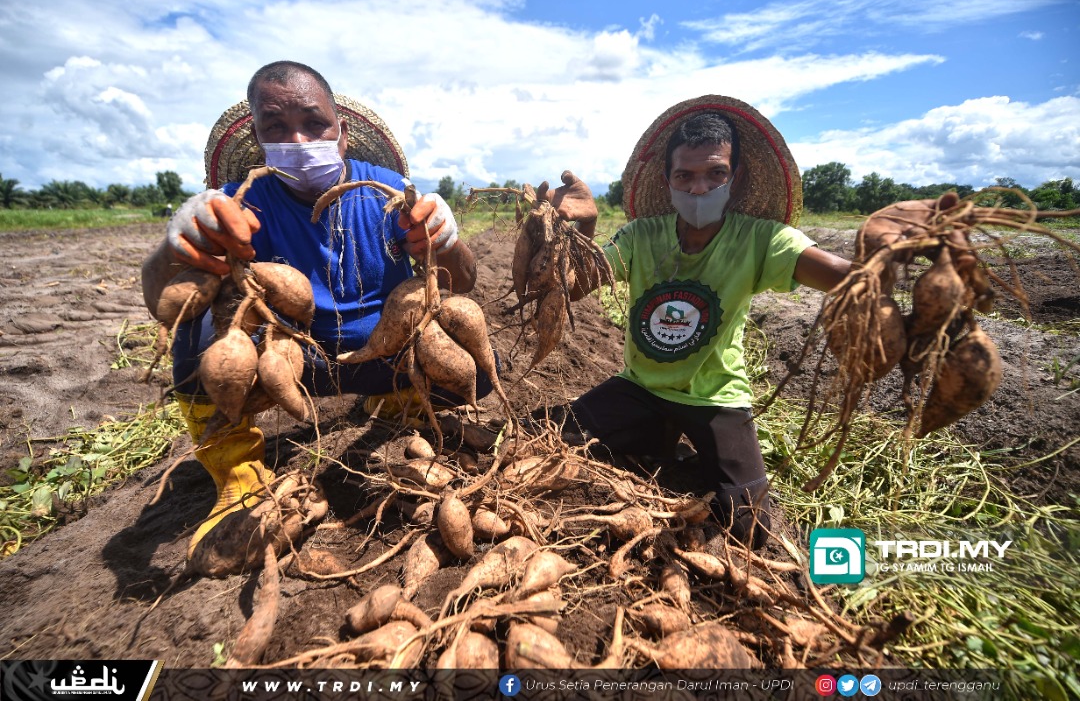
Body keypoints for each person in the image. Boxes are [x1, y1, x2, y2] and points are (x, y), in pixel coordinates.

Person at [140, 61, 485, 560]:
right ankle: (238, 476)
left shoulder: (387, 191)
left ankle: (403, 403)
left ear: (342, 133)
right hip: (292, 360)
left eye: (314, 122)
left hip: (386, 354)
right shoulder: (241, 206)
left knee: (460, 333)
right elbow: (164, 304)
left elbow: (465, 280)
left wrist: (447, 244)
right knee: (200, 339)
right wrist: (169, 251)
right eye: (275, 128)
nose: (298, 141)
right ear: (259, 141)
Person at [555, 95, 854, 550]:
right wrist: (583, 232)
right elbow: (574, 288)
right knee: (549, 436)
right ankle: (662, 444)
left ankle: (681, 453)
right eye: (685, 176)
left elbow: (834, 271)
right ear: (668, 179)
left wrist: (884, 271)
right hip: (641, 387)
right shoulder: (642, 235)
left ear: (736, 177)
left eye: (715, 173)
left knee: (749, 525)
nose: (698, 189)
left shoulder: (760, 239)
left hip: (716, 399)